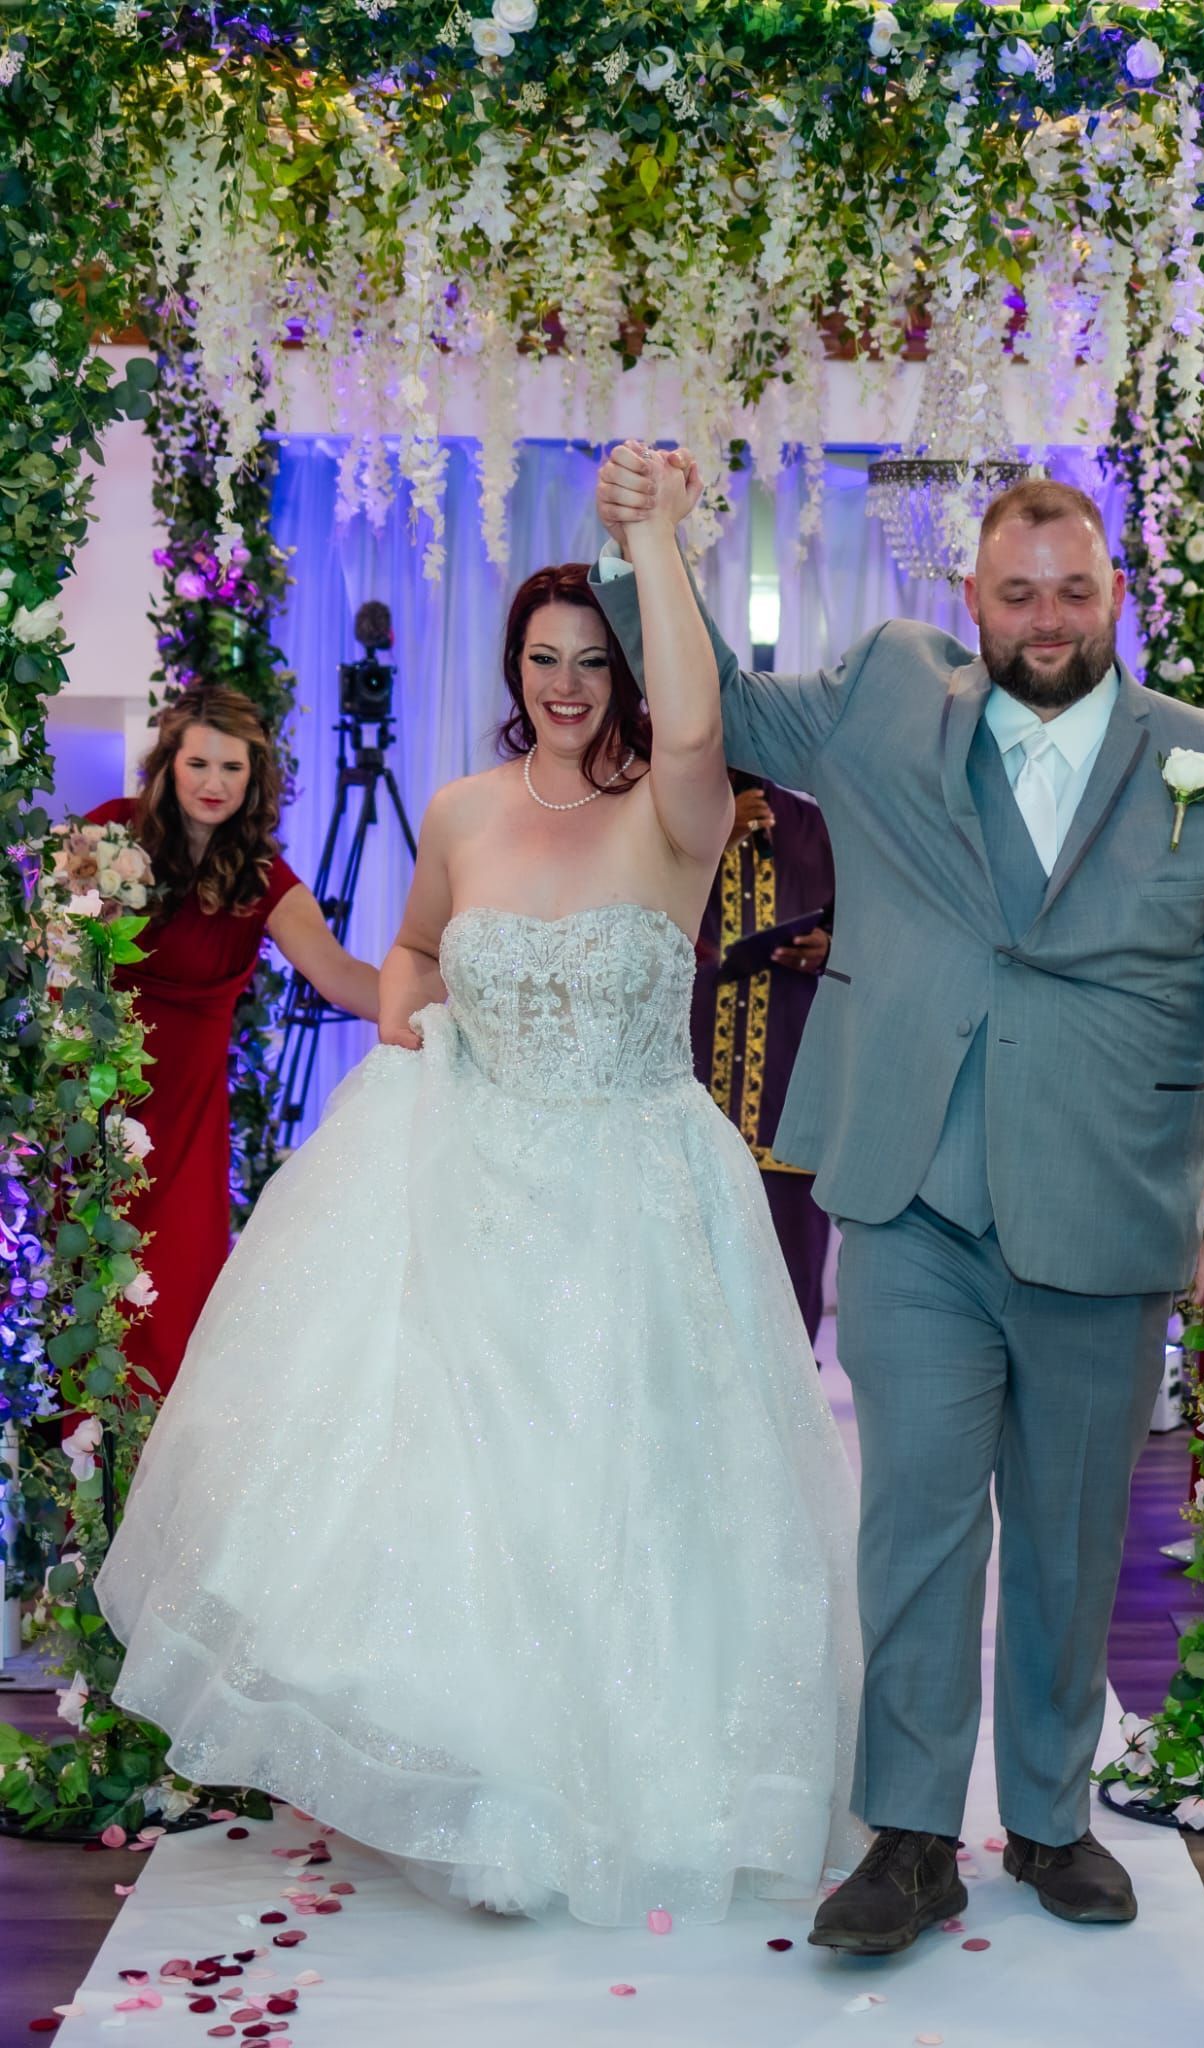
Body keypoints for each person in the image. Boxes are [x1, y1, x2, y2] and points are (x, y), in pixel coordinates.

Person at [96, 509, 862, 1927]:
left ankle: (626, 1775)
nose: (564, 684)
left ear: (626, 672)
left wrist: (658, 541)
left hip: (634, 1190)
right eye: (539, 657)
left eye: (590, 659)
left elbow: (693, 725)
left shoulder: (677, 809)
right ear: (509, 666)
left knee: (626, 1493)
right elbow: (412, 950)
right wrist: (408, 1026)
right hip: (468, 1172)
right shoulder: (456, 808)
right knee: (458, 1488)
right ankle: (476, 1781)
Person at [594, 452, 1204, 1952]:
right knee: (914, 1522)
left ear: (1114, 593)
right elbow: (704, 698)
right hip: (910, 1188)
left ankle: (1049, 1821)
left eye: (1071, 589)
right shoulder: (878, 701)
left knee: (1064, 1535)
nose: (1043, 617)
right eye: (1014, 592)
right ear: (968, 599)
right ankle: (911, 1836)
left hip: (1106, 1206)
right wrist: (640, 540)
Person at [86, 687, 379, 1396]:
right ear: (168, 765)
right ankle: (76, 1500)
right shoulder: (106, 835)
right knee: (84, 1311)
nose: (214, 784)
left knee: (173, 1313)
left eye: (233, 769)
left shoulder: (262, 876)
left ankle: (152, 1504)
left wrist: (459, 1003)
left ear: (256, 779)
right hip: (90, 1115)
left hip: (185, 1131)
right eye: (198, 764)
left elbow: (340, 975)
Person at [692, 772, 835, 1340]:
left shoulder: (817, 828)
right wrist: (711, 841)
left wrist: (831, 946)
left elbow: (885, 931)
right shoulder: (660, 823)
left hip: (790, 1098)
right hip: (687, 1102)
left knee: (788, 1284)